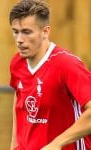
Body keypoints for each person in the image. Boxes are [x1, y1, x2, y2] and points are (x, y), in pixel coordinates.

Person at [8, 0, 91, 150]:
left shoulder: (67, 64)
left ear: (45, 31)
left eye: (26, 32)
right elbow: (19, 101)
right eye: (15, 32)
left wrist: (57, 144)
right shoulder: (17, 63)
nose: (19, 40)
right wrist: (14, 146)